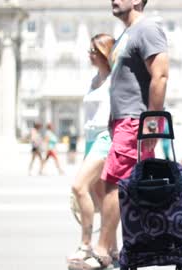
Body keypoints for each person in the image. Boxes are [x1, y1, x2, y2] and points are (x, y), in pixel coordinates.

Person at [86, 0, 169, 269]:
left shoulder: (147, 29)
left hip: (135, 121)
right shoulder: (127, 33)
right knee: (127, 187)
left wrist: (152, 122)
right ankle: (136, 245)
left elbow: (161, 75)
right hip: (122, 121)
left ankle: (103, 250)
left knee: (112, 183)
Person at [67, 33, 116, 268]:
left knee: (79, 186)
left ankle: (85, 244)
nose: (89, 54)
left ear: (105, 53)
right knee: (101, 195)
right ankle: (113, 249)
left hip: (106, 137)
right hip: (91, 138)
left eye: (93, 50)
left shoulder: (116, 79)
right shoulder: (95, 79)